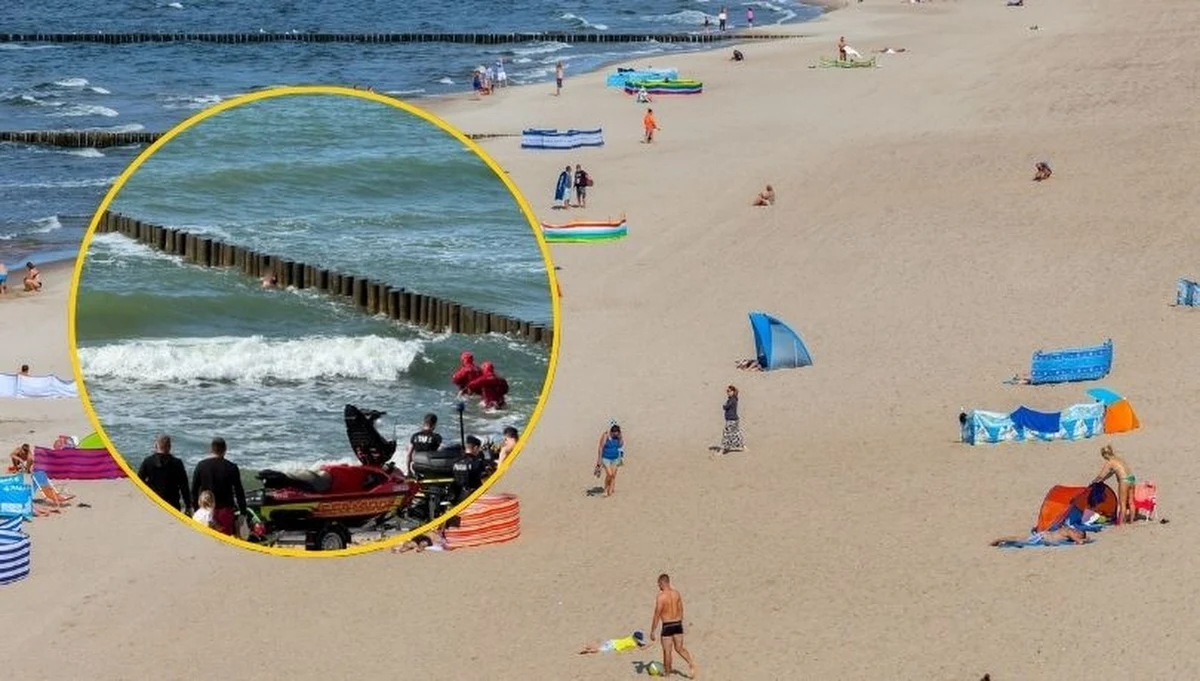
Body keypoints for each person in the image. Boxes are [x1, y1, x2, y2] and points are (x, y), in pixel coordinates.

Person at [190, 437, 248, 536]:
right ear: (225, 450)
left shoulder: (201, 465)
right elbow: (239, 491)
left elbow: (194, 490)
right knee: (225, 539)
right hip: (225, 510)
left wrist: (195, 508)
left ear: (211, 449)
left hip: (206, 509)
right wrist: (243, 512)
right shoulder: (232, 467)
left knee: (205, 537)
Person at [651, 574, 697, 679]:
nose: (658, 586)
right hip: (677, 624)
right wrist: (679, 622)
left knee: (667, 651)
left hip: (667, 625)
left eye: (658, 584)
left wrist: (653, 630)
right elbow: (681, 609)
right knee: (679, 648)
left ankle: (667, 674)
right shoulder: (676, 593)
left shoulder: (661, 597)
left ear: (662, 583)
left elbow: (657, 614)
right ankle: (691, 663)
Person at [137, 434, 192, 515]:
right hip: (172, 503)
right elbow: (184, 486)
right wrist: (188, 505)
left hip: (153, 502)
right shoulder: (177, 463)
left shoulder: (148, 461)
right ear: (170, 447)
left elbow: (138, 482)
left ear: (156, 445)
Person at [1092, 444, 1135, 523]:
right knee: (1131, 502)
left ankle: (1121, 523)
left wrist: (1094, 481)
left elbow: (1101, 475)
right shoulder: (1119, 459)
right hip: (1132, 479)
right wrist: (1103, 480)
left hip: (1124, 480)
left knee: (1122, 503)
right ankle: (1131, 521)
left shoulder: (1110, 462)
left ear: (1105, 455)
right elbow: (1110, 473)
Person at [392, 516, 462, 553]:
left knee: (418, 543)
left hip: (426, 538)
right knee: (414, 543)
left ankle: (401, 549)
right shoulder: (439, 534)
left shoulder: (438, 535)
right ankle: (401, 549)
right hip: (425, 537)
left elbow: (442, 529)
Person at [452, 436, 488, 503]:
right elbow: (485, 480)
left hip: (459, 497)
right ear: (476, 448)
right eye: (479, 449)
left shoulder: (456, 462)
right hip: (474, 497)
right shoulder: (477, 463)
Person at [594, 422, 624, 497]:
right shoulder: (606, 435)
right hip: (606, 458)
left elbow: (620, 445)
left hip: (615, 458)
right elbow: (601, 448)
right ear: (611, 431)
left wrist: (620, 438)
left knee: (613, 475)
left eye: (617, 433)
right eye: (614, 433)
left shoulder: (618, 436)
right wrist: (599, 460)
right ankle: (606, 489)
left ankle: (610, 490)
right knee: (609, 474)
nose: (615, 435)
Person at [990, 526, 1088, 546]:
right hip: (1043, 538)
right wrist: (1085, 540)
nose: (1080, 536)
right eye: (1081, 534)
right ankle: (1000, 539)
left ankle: (1001, 540)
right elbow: (1079, 542)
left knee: (1021, 539)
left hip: (1044, 535)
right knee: (1020, 539)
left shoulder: (1067, 529)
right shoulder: (1069, 531)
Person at [578, 630, 648, 655]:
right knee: (599, 650)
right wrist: (651, 644)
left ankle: (587, 647)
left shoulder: (630, 637)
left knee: (599, 647)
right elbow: (642, 648)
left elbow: (640, 643)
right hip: (613, 646)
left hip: (613, 641)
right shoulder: (634, 644)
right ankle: (588, 651)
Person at [721, 385, 744, 454]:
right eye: (727, 391)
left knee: (726, 434)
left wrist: (724, 406)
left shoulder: (732, 400)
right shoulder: (732, 399)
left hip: (731, 420)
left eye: (729, 391)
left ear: (733, 392)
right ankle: (743, 446)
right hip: (733, 419)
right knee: (736, 433)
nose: (728, 393)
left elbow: (726, 407)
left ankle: (722, 450)